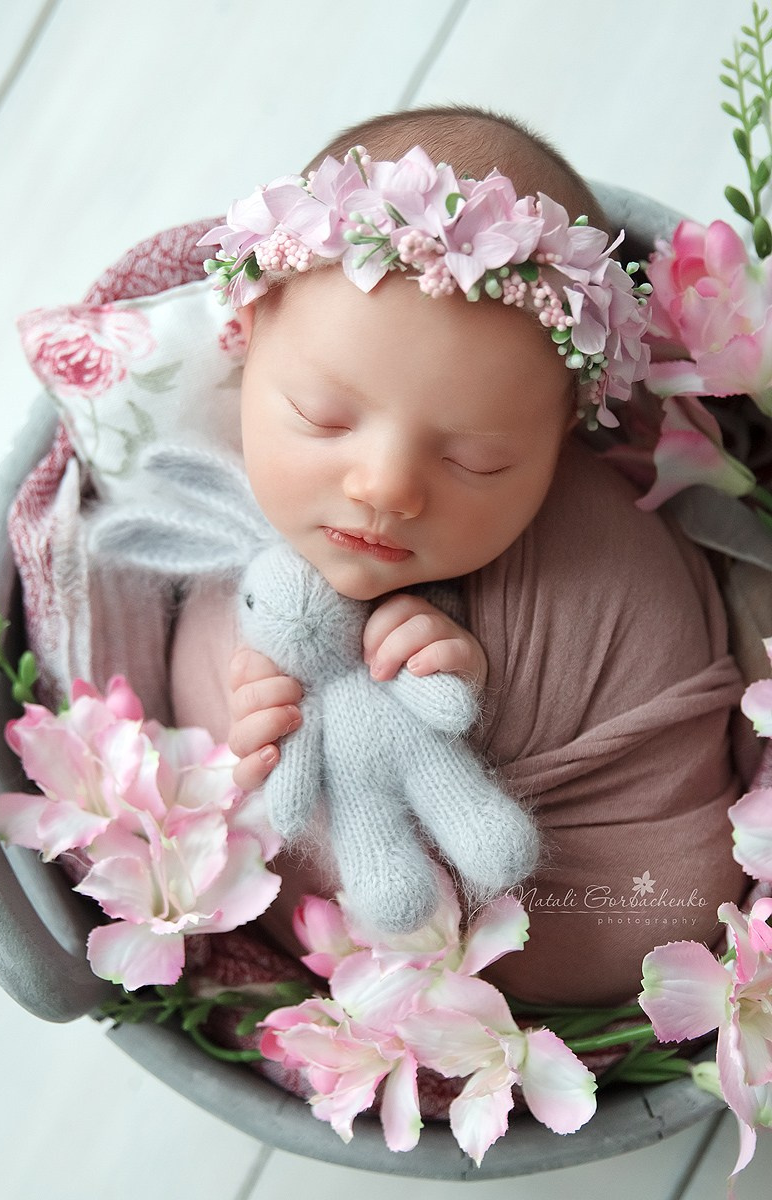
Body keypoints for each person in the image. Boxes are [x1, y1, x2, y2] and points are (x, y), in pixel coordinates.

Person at [170, 105, 751, 1006]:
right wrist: (267, 719)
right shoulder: (216, 483)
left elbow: (666, 834)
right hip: (335, 910)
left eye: (477, 459)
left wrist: (477, 691)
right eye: (322, 419)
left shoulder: (602, 548)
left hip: (610, 903)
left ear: (567, 440)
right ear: (244, 339)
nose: (386, 488)